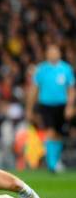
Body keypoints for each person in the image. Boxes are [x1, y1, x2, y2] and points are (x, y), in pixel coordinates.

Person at [26, 44, 75, 173]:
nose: (53, 54)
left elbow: (71, 89)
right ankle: (52, 164)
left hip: (61, 106)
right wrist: (30, 109)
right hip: (46, 105)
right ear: (47, 54)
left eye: (55, 52)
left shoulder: (66, 69)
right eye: (50, 52)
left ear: (59, 53)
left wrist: (70, 106)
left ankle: (56, 160)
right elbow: (34, 90)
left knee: (58, 134)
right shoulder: (41, 69)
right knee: (50, 131)